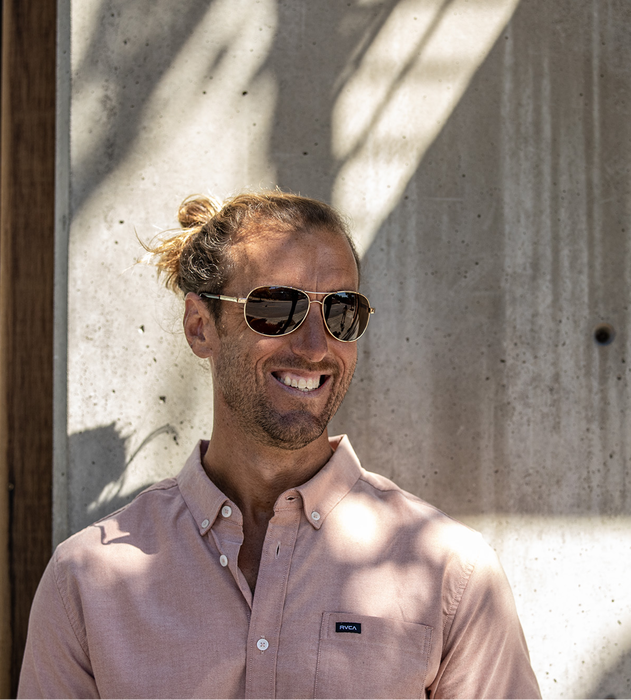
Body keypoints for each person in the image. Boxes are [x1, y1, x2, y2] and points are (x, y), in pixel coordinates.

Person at [19, 191, 541, 699]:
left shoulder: (451, 573)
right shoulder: (84, 581)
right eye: (275, 307)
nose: (315, 347)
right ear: (200, 328)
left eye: (340, 311)